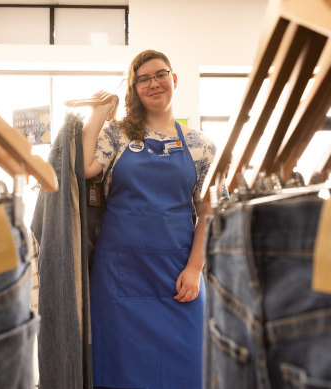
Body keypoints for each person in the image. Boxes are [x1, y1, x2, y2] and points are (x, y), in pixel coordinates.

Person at [78, 49, 226, 389]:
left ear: (174, 79)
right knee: (119, 372)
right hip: (119, 277)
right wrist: (99, 113)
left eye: (160, 75)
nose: (153, 83)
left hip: (179, 276)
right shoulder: (116, 136)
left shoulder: (201, 146)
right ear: (134, 89)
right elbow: (85, 167)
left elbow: (209, 212)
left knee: (189, 370)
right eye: (142, 79)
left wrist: (195, 268)